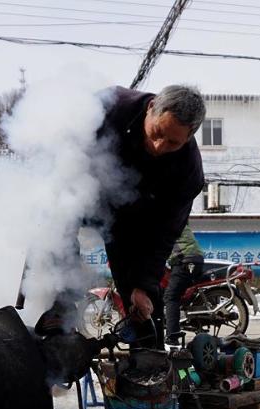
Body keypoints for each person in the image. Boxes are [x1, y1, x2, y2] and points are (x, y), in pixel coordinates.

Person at [96, 85, 205, 348]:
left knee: (143, 304)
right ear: (150, 108)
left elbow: (164, 233)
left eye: (173, 143)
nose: (159, 146)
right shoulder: (108, 108)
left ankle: (147, 361)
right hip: (81, 188)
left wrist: (143, 285)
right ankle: (55, 315)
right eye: (157, 133)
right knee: (55, 220)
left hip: (134, 219)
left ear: (189, 136)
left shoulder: (188, 170)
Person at [163, 225, 204, 346]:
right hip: (195, 258)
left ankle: (172, 336)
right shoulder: (178, 215)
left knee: (171, 297)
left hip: (185, 260)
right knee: (180, 292)